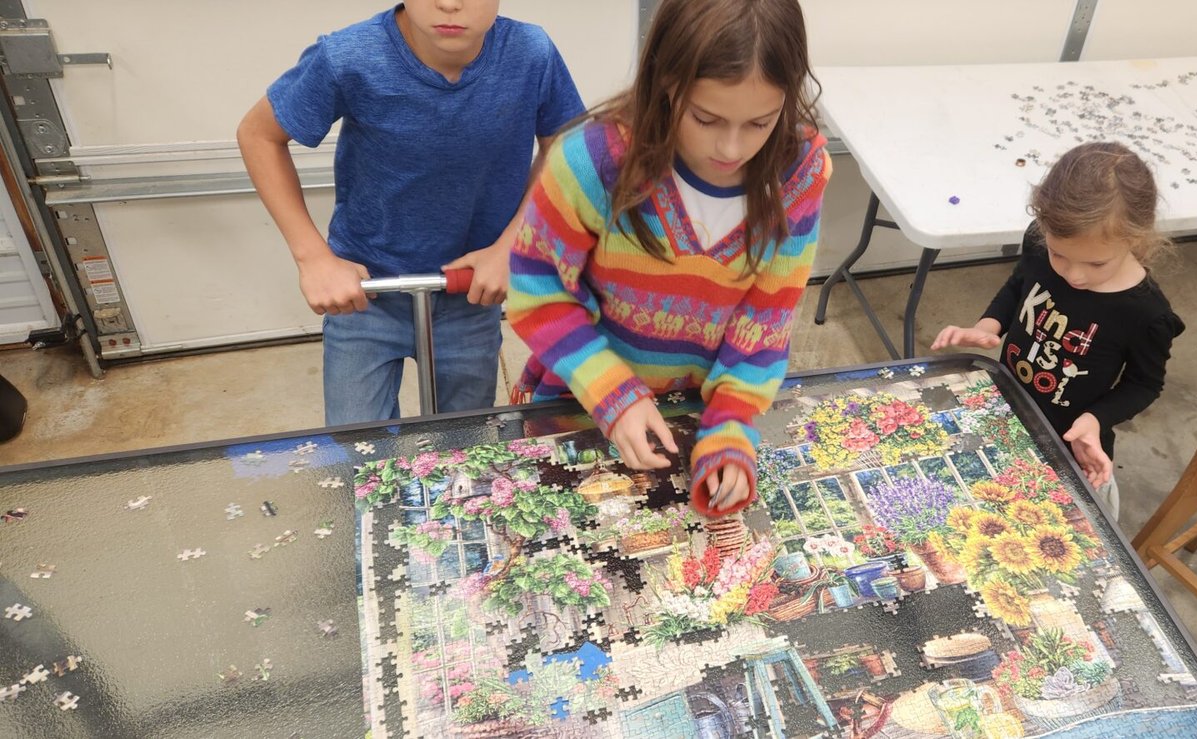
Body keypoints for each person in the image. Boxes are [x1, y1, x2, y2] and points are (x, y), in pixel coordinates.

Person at [506, 0, 830, 517]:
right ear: (665, 81)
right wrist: (615, 395)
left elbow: (766, 319)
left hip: (704, 411)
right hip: (582, 397)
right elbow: (538, 291)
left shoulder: (801, 171)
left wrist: (730, 425)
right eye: (706, 118)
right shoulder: (592, 161)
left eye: (760, 123)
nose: (731, 147)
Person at [238, 0, 584, 424]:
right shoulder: (349, 57)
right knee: (359, 453)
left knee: (464, 448)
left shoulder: (532, 53)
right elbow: (259, 135)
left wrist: (513, 244)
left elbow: (566, 143)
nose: (451, 4)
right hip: (366, 296)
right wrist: (313, 258)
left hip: (469, 294)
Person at [932, 142, 1186, 520]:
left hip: (1070, 441)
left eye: (1096, 263)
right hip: (1008, 408)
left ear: (1136, 239)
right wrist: (989, 325)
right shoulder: (1040, 240)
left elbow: (1144, 385)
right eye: (1058, 254)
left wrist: (1095, 420)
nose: (1073, 274)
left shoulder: (1147, 313)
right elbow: (1020, 285)